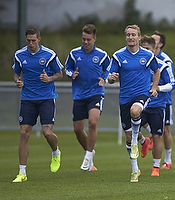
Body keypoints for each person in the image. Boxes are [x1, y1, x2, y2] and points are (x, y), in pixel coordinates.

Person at [107, 25, 160, 182]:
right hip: (124, 97)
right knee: (128, 136)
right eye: (128, 35)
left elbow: (156, 71)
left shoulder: (147, 55)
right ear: (126, 37)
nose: (130, 37)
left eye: (133, 35)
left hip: (142, 94)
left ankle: (138, 138)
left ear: (139, 37)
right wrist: (111, 78)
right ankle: (135, 169)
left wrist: (154, 87)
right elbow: (110, 76)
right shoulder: (118, 56)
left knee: (135, 111)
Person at [12, 26, 63, 182]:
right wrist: (17, 81)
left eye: (34, 40)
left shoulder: (49, 55)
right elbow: (16, 73)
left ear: (39, 39)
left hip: (46, 98)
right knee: (23, 133)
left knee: (47, 133)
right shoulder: (20, 55)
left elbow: (60, 73)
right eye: (28, 41)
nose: (31, 43)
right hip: (27, 99)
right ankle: (22, 173)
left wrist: (49, 79)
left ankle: (55, 152)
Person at [65, 24, 110, 171]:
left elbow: (109, 69)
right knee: (78, 129)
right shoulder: (74, 53)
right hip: (79, 94)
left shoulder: (102, 55)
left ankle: (88, 156)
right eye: (83, 39)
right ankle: (89, 150)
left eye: (88, 39)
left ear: (94, 39)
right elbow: (67, 68)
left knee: (92, 122)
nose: (85, 42)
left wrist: (104, 78)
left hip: (95, 93)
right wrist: (71, 74)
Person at [140, 35, 175, 176]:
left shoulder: (164, 62)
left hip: (158, 104)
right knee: (130, 131)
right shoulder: (138, 64)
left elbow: (172, 84)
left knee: (158, 135)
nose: (145, 51)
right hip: (140, 103)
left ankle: (157, 166)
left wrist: (158, 88)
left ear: (155, 48)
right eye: (143, 49)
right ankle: (142, 142)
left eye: (148, 49)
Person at [150, 30, 175, 170]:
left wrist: (158, 88)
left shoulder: (165, 61)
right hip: (149, 99)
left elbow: (170, 82)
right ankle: (146, 138)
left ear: (160, 44)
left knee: (166, 129)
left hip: (164, 100)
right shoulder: (147, 57)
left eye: (154, 40)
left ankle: (168, 159)